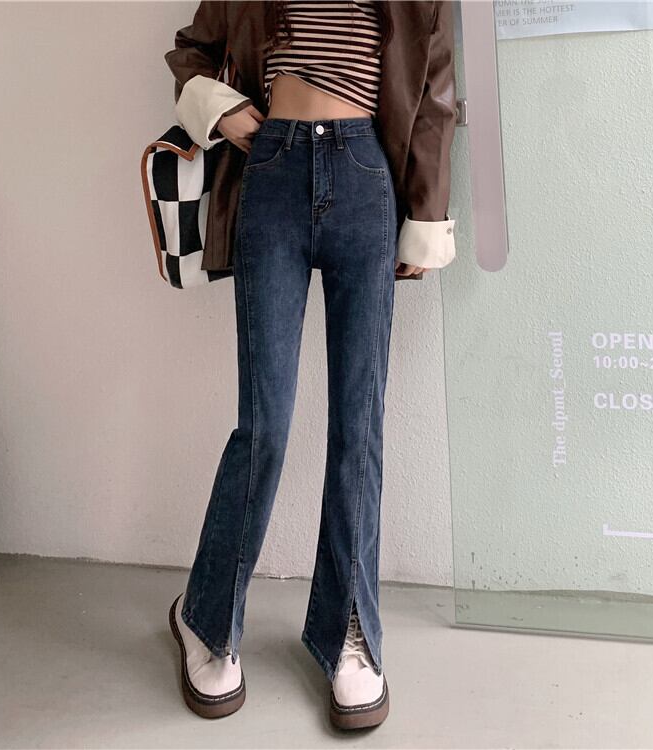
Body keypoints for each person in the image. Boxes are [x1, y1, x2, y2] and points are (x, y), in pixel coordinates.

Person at [164, 0, 457, 730]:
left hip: (365, 174)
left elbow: (434, 96)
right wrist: (222, 109)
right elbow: (192, 49)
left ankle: (348, 629)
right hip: (272, 168)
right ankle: (206, 617)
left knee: (359, 425)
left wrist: (425, 212)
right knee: (264, 423)